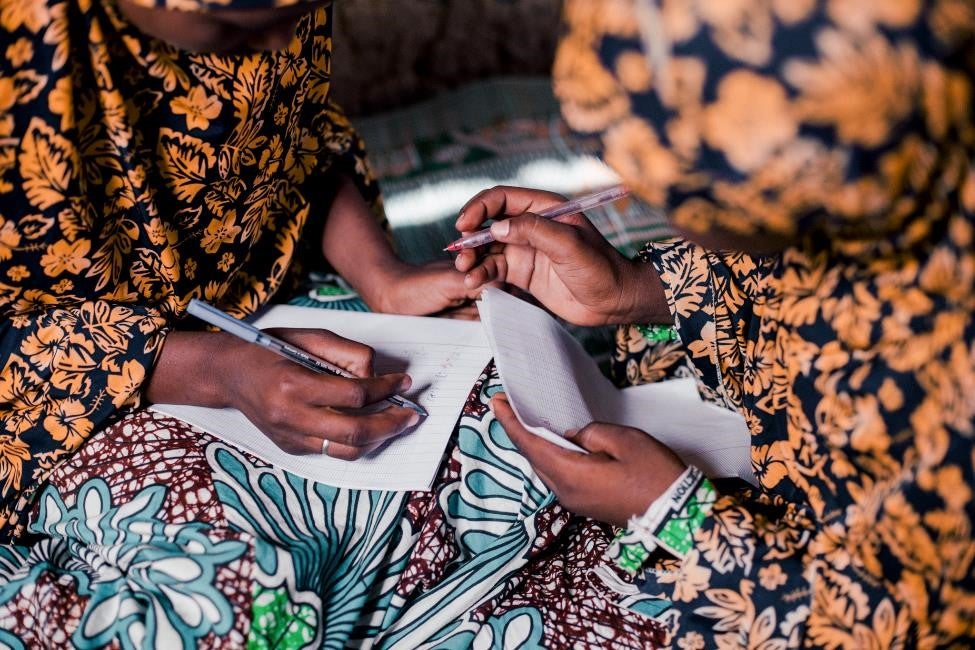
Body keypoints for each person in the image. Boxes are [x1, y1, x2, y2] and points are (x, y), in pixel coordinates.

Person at [448, 0, 975, 646]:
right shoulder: (869, 167)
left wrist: (676, 515)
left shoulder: (949, 386)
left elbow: (882, 625)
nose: (638, 194)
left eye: (680, 191)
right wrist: (636, 291)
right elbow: (787, 283)